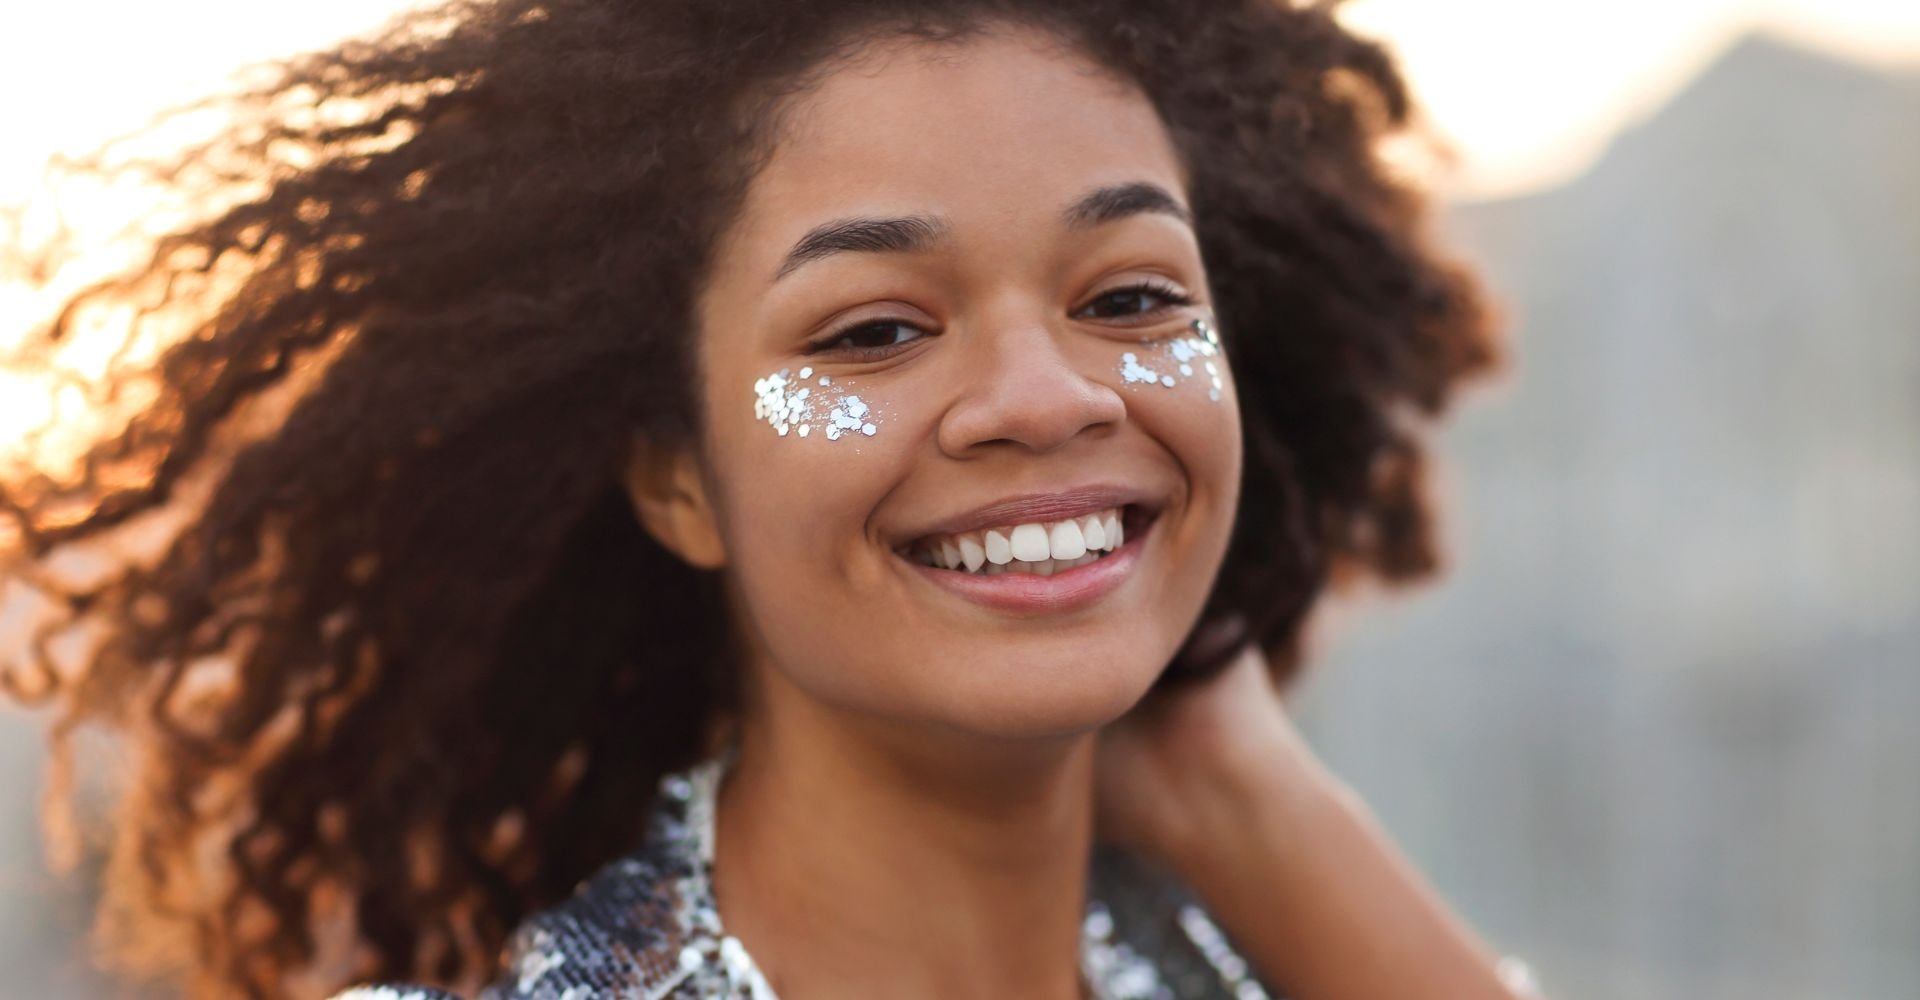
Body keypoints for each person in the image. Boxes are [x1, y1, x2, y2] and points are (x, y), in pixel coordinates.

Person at [0, 0, 1531, 997]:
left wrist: (1252, 803)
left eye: (1131, 297)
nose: (1047, 395)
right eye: (873, 331)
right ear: (679, 475)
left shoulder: (1255, 953)